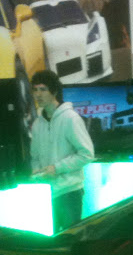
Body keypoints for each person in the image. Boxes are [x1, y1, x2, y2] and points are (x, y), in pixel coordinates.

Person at [30, 70, 95, 232]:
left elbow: (87, 154)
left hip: (69, 192)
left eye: (43, 89)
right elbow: (35, 157)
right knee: (48, 241)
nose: (38, 94)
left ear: (54, 92)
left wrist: (56, 168)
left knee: (70, 240)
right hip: (46, 193)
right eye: (35, 90)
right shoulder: (37, 124)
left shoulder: (70, 118)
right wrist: (36, 172)